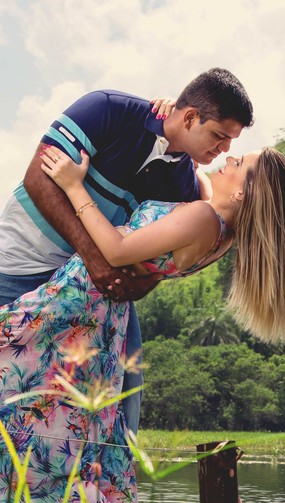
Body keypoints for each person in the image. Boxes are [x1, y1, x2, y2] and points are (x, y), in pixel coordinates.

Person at [0, 145, 285, 503]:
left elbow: (116, 249)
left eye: (239, 163)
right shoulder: (222, 232)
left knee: (26, 398)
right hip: (103, 319)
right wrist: (178, 142)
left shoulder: (201, 218)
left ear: (243, 192)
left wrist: (74, 187)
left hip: (78, 302)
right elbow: (200, 185)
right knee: (57, 413)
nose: (229, 159)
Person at [0, 67, 254, 433]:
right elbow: (38, 179)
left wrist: (138, 285)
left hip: (88, 292)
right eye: (219, 135)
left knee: (122, 396)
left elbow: (160, 256)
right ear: (190, 116)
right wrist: (94, 258)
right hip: (19, 264)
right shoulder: (107, 110)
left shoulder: (185, 182)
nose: (225, 149)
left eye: (231, 142)